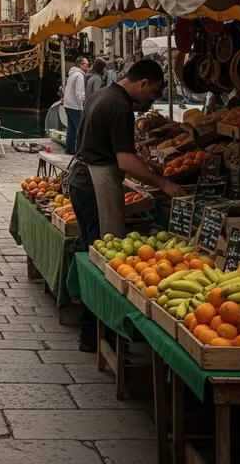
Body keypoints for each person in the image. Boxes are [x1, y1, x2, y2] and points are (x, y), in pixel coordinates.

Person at [67, 59, 186, 352]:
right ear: (142, 83)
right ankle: (93, 333)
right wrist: (164, 183)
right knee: (104, 262)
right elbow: (124, 160)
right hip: (96, 184)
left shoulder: (101, 94)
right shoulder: (120, 107)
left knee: (93, 254)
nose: (152, 98)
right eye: (153, 91)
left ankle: (92, 332)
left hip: (80, 181)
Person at [62, 56, 89, 154]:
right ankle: (80, 151)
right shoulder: (79, 76)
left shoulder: (72, 74)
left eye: (88, 64)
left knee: (71, 129)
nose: (87, 66)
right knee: (80, 129)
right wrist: (83, 102)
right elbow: (79, 93)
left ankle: (70, 149)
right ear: (80, 64)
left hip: (68, 104)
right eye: (85, 64)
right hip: (75, 106)